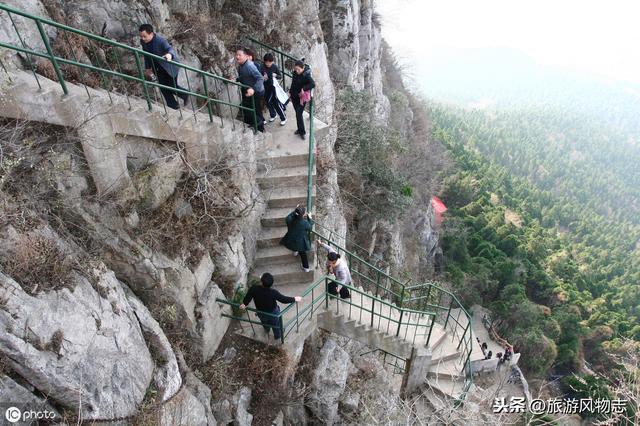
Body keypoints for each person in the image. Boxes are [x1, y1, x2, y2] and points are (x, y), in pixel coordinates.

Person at [139, 24, 188, 110]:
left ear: (151, 34)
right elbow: (146, 55)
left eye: (144, 36)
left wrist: (169, 55)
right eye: (141, 36)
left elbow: (170, 49)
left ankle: (185, 94)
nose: (142, 38)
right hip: (158, 67)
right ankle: (173, 105)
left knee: (172, 86)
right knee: (163, 87)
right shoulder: (143, 42)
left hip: (169, 66)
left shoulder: (160, 40)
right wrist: (148, 68)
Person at [239, 273, 302, 340]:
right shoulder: (273, 292)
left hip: (260, 312)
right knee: (276, 325)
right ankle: (277, 336)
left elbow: (247, 298)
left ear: (261, 282)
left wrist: (244, 304)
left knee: (264, 321)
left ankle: (267, 329)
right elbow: (283, 299)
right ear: (271, 284)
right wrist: (294, 299)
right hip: (273, 313)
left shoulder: (253, 289)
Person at [235, 47, 265, 132]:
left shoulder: (249, 66)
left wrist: (253, 89)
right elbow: (244, 76)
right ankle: (258, 126)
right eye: (236, 55)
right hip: (250, 90)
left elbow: (260, 78)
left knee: (247, 108)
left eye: (239, 55)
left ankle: (259, 124)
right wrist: (236, 79)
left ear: (245, 56)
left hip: (257, 91)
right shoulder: (242, 65)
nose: (237, 57)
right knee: (254, 108)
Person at [279, 206, 312, 272]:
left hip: (291, 239)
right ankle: (306, 268)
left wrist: (295, 211)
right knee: (303, 254)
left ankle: (295, 252)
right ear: (303, 214)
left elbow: (289, 216)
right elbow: (310, 227)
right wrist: (310, 218)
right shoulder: (304, 223)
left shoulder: (289, 219)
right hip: (300, 241)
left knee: (294, 245)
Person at [288, 60, 315, 140]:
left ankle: (302, 132)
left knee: (299, 114)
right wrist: (290, 92)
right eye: (295, 69)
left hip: (301, 98)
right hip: (294, 95)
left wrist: (304, 88)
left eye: (298, 69)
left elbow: (313, 84)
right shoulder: (295, 73)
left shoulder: (307, 75)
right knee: (297, 114)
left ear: (303, 68)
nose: (297, 71)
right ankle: (299, 130)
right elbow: (293, 83)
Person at [259, 53, 286, 125]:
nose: (268, 64)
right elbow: (259, 76)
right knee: (268, 102)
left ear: (272, 61)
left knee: (276, 103)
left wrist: (276, 75)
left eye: (269, 62)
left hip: (273, 87)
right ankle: (273, 115)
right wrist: (262, 78)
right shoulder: (261, 67)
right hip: (265, 87)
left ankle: (283, 118)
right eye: (266, 62)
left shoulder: (274, 67)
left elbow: (280, 76)